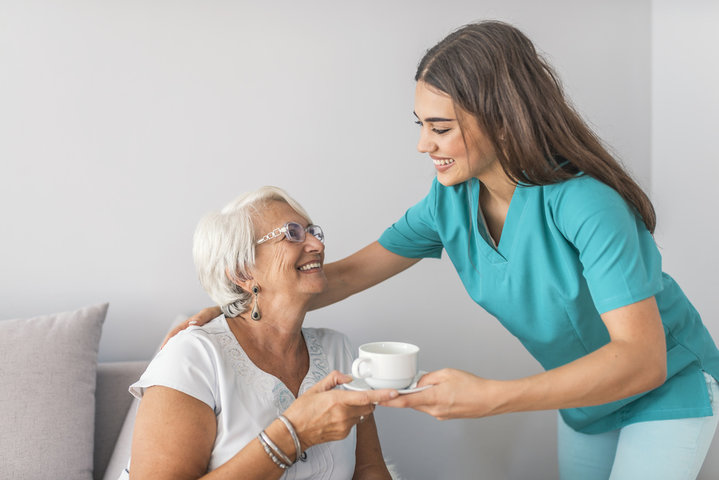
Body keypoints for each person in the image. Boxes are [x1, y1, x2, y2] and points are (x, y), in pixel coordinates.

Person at [183, 21, 719, 479]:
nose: (424, 144)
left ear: (502, 118)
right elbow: (344, 276)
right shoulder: (449, 203)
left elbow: (643, 360)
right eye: (422, 126)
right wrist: (235, 311)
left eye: (441, 128)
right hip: (585, 403)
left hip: (666, 388)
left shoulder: (586, 205)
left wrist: (492, 397)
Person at [122, 186, 398, 480]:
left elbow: (369, 469)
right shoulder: (193, 357)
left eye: (313, 231)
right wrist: (292, 436)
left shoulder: (337, 349)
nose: (317, 244)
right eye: (292, 233)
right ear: (242, 272)